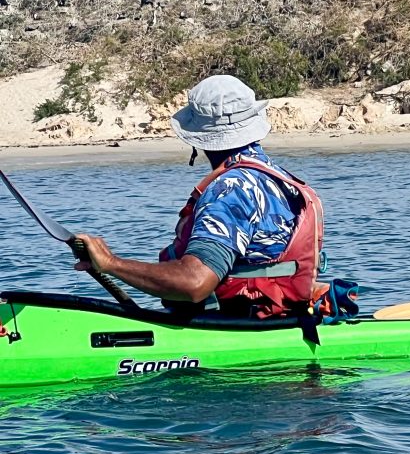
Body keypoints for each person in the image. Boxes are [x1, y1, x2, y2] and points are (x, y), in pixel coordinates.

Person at [74, 75, 328, 318]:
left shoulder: (231, 189)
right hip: (281, 315)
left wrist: (110, 263)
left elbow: (195, 284)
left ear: (199, 139)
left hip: (236, 324)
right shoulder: (277, 178)